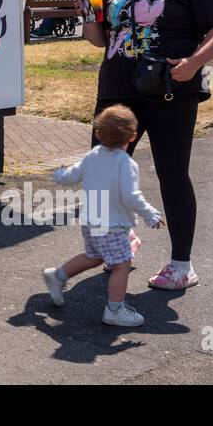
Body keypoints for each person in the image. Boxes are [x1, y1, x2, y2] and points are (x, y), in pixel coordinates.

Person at [78, 0, 213, 290]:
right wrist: (86, 19)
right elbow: (102, 40)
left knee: (171, 174)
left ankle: (181, 264)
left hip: (169, 92)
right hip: (116, 92)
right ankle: (119, 240)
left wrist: (194, 63)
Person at [42, 104, 164, 327]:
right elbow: (130, 196)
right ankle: (115, 310)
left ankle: (57, 276)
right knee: (121, 265)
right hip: (112, 225)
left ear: (98, 134)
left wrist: (59, 175)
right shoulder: (126, 163)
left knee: (94, 257)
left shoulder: (93, 155)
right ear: (133, 136)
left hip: (90, 222)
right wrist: (150, 214)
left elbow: (71, 175)